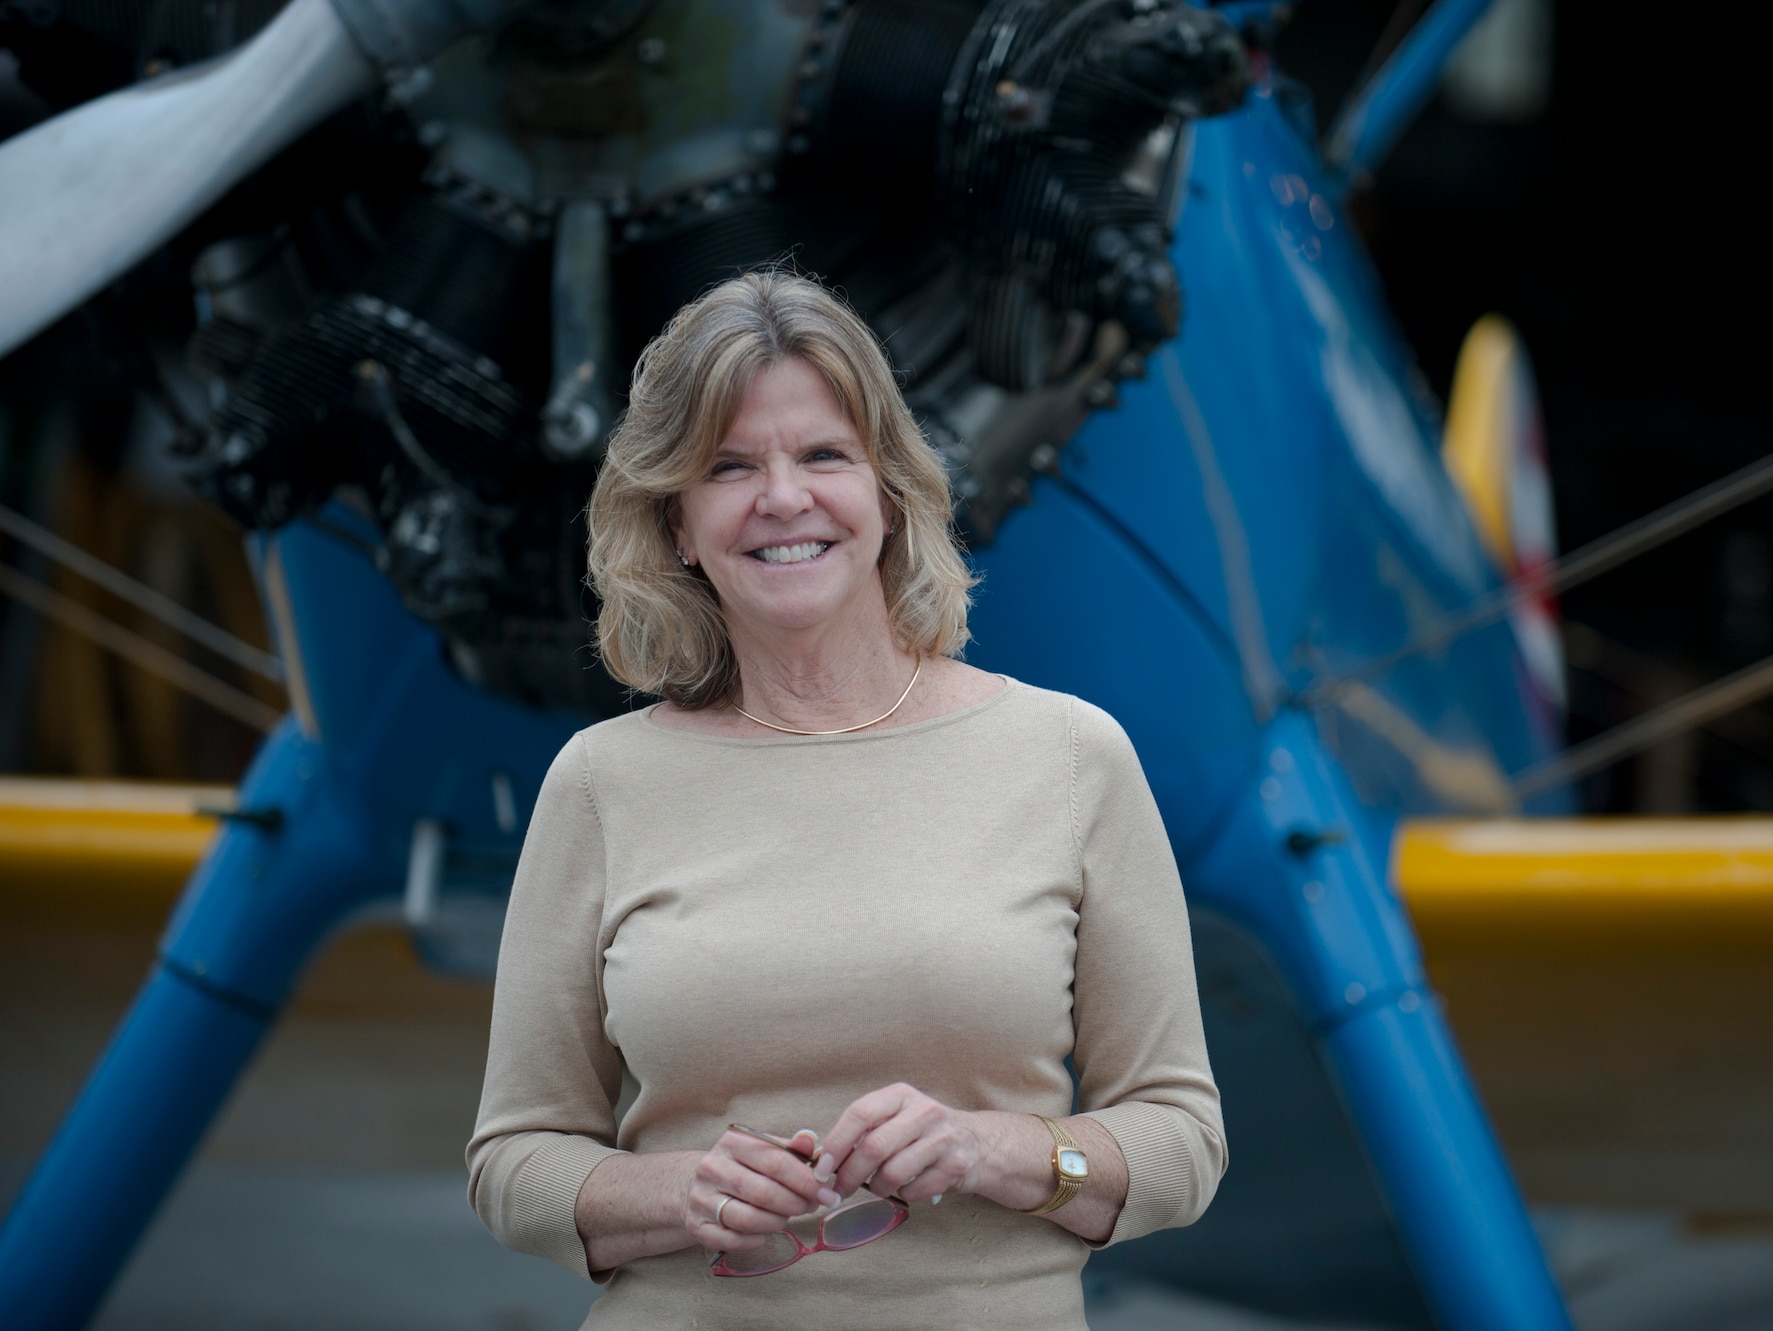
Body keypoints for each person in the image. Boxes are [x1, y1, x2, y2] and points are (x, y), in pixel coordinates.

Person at [465, 271, 1225, 1329]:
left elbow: (1181, 1137)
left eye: (823, 455)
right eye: (728, 466)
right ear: (678, 523)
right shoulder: (600, 782)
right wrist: (679, 1191)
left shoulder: (1067, 755)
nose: (783, 498)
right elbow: (512, 1157)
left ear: (888, 492)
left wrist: (995, 1148)